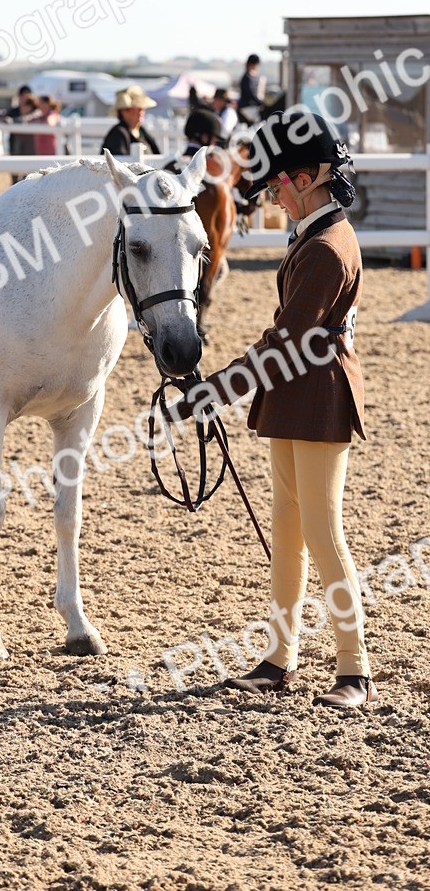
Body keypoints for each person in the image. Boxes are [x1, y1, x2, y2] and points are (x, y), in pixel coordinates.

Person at [166, 110, 373, 709]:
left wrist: (214, 392)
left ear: (309, 177)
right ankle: (281, 657)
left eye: (280, 183)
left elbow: (286, 342)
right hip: (293, 397)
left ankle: (354, 668)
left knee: (322, 532)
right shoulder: (314, 237)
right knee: (288, 532)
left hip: (319, 400)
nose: (275, 195)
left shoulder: (328, 250)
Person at [101, 86, 160, 157]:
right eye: (137, 108)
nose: (141, 111)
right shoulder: (117, 134)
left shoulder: (143, 132)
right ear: (124, 111)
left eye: (142, 108)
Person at [2, 86, 39, 183]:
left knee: (30, 175)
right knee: (15, 174)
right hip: (16, 145)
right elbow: (5, 117)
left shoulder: (36, 112)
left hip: (31, 148)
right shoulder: (14, 110)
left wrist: (13, 121)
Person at [238, 53, 266, 123]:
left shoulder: (251, 76)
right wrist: (260, 102)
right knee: (259, 122)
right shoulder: (247, 77)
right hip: (247, 106)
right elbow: (250, 93)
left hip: (250, 106)